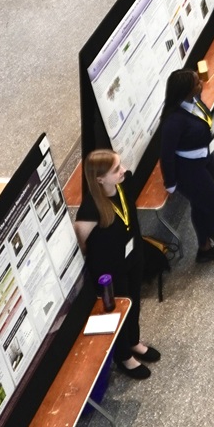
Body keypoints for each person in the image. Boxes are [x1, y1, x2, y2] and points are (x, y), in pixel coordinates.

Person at [76, 150, 160, 377]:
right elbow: (80, 238)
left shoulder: (121, 188)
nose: (123, 170)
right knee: (119, 312)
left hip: (132, 259)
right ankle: (124, 356)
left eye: (119, 165)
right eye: (116, 169)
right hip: (109, 272)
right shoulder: (91, 208)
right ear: (99, 179)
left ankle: (133, 341)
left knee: (134, 303)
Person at [160, 65, 214, 259]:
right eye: (197, 83)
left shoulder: (194, 101)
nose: (201, 83)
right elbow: (166, 153)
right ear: (186, 91)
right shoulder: (173, 121)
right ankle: (211, 233)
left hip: (204, 158)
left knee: (200, 205)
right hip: (189, 170)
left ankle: (205, 246)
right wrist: (170, 184)